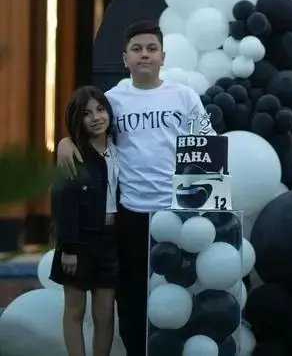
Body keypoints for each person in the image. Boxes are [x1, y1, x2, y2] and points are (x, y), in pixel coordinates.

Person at [57, 20, 213, 355]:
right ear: (125, 58)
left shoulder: (184, 97)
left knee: (180, 291)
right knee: (130, 297)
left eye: (152, 49)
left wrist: (204, 209)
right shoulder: (113, 100)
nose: (145, 55)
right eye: (137, 49)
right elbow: (88, 134)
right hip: (130, 214)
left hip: (177, 213)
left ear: (163, 57)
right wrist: (64, 142)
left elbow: (208, 147)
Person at [50, 86, 119, 356]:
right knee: (75, 309)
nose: (96, 118)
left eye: (100, 110)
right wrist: (69, 248)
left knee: (105, 312)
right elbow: (63, 204)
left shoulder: (121, 149)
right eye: (87, 113)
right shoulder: (73, 155)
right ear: (78, 119)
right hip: (79, 240)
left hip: (111, 241)